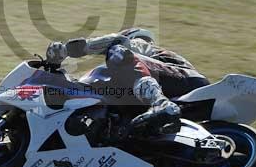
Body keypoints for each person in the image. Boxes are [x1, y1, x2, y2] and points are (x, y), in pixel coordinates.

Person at [44, 28, 209, 134]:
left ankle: (162, 104)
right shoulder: (126, 77)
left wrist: (67, 50)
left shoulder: (139, 47)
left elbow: (117, 42)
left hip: (187, 82)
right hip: (168, 88)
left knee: (117, 50)